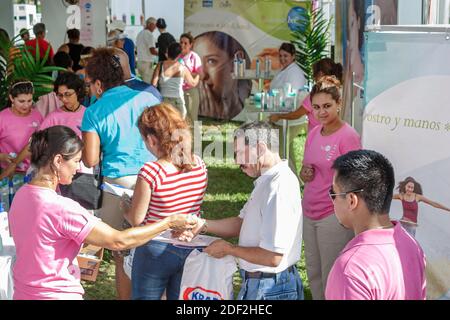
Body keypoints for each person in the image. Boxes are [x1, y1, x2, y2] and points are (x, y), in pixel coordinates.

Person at [8, 125, 197, 300]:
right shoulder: (62, 208)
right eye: (76, 161)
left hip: (24, 292)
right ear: (58, 160)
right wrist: (169, 222)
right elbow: (118, 240)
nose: (79, 168)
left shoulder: (22, 194)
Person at [180, 121, 304, 300]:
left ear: (260, 148)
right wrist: (202, 224)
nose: (237, 161)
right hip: (262, 283)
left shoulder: (278, 187)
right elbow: (241, 222)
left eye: (239, 153)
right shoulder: (268, 180)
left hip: (270, 288)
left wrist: (229, 249)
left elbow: (273, 257)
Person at [81, 47, 161, 300]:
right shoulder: (149, 99)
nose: (90, 89)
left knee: (121, 252)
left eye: (90, 84)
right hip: (154, 179)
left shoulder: (93, 111)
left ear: (99, 83)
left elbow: (90, 159)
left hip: (116, 184)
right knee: (154, 249)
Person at [122, 103, 208, 300]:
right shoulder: (199, 164)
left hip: (155, 247)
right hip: (189, 244)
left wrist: (124, 206)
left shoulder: (151, 172)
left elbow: (136, 219)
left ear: (152, 140)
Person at [325, 150, 426, 300]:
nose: (331, 200)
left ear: (352, 200)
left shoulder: (350, 269)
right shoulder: (412, 244)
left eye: (333, 192)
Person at [300, 76, 361, 300]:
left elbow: (354, 180)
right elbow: (307, 169)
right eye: (316, 107)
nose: (321, 112)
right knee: (313, 273)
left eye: (327, 106)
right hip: (309, 211)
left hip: (332, 216)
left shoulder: (348, 137)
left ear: (339, 104)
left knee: (332, 276)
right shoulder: (314, 133)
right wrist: (305, 173)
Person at [269, 58, 344, 134]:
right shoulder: (337, 91)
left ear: (320, 74)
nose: (314, 78)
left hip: (317, 138)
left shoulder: (316, 96)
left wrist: (278, 116)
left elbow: (296, 115)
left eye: (314, 74)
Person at [193, 31, 252, 120]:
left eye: (211, 61)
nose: (202, 75)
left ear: (237, 60)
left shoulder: (249, 115)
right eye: (196, 62)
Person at [0, 80, 43, 178]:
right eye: (21, 101)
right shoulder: (2, 118)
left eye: (29, 100)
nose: (26, 105)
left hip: (33, 171)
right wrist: (1, 157)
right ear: (11, 98)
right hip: (8, 173)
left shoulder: (37, 115)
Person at [151, 42, 199, 119]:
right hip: (178, 101)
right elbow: (192, 83)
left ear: (167, 52)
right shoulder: (182, 68)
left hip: (164, 101)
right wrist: (198, 76)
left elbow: (153, 84)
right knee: (178, 127)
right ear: (179, 55)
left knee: (165, 126)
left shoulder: (160, 65)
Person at [179, 32, 202, 124]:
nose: (183, 45)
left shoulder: (194, 57)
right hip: (179, 91)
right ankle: (185, 138)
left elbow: (199, 74)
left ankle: (196, 138)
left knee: (193, 117)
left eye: (185, 43)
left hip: (191, 91)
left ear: (190, 45)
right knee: (182, 118)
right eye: (181, 42)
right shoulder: (177, 56)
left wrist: (186, 74)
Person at [136, 17, 158, 84]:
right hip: (147, 63)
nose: (155, 28)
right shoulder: (149, 34)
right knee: (148, 84)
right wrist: (163, 54)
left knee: (143, 84)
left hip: (140, 62)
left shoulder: (140, 33)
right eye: (155, 25)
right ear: (150, 24)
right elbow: (152, 51)